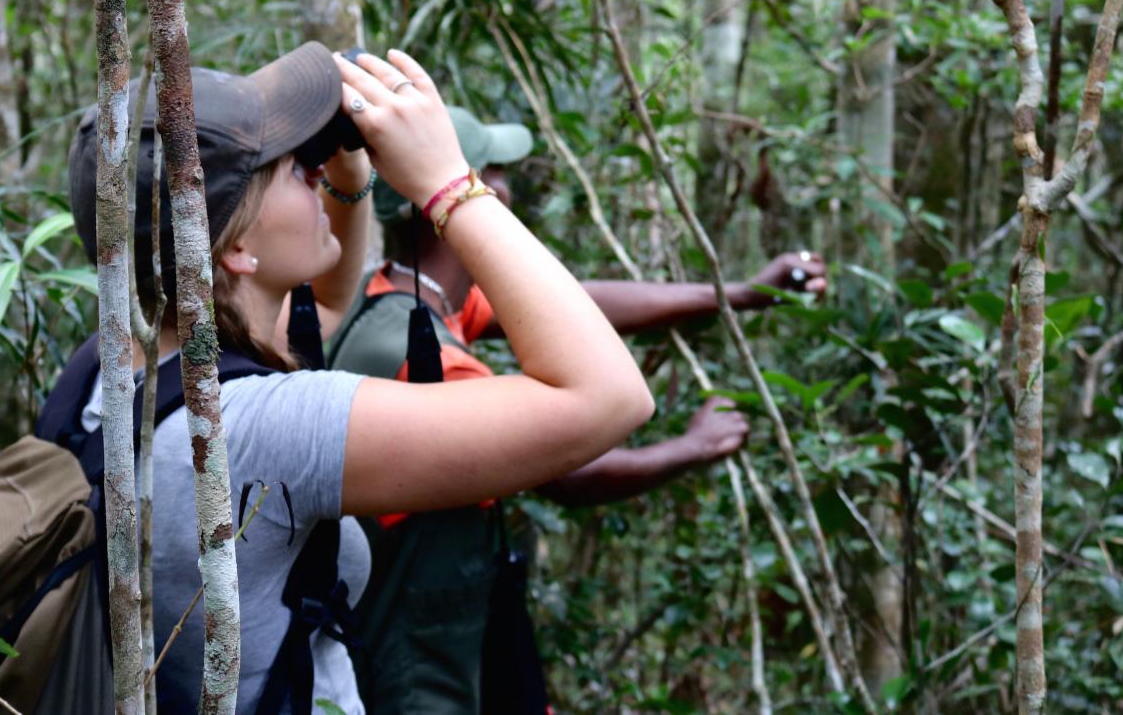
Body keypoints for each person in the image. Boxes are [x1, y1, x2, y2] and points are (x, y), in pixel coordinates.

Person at [58, 42, 655, 714]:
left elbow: (331, 306)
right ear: (237, 248)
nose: (310, 172)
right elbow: (606, 397)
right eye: (289, 169)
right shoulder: (261, 431)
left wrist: (339, 164)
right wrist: (449, 185)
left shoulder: (109, 372)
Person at [327, 106, 828, 714]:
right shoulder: (426, 362)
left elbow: (577, 305)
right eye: (489, 173)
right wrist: (692, 447)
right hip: (416, 667)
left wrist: (740, 295)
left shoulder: (398, 297)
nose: (503, 186)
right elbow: (567, 472)